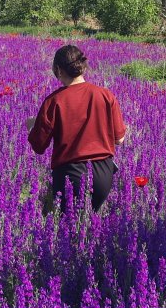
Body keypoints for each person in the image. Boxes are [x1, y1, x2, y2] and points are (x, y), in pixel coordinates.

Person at [26, 45, 128, 214]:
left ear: (58, 70)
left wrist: (32, 126)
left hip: (71, 174)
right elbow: (119, 139)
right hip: (103, 174)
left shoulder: (54, 101)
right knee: (90, 223)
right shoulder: (105, 95)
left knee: (68, 225)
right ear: (83, 67)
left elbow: (39, 146)